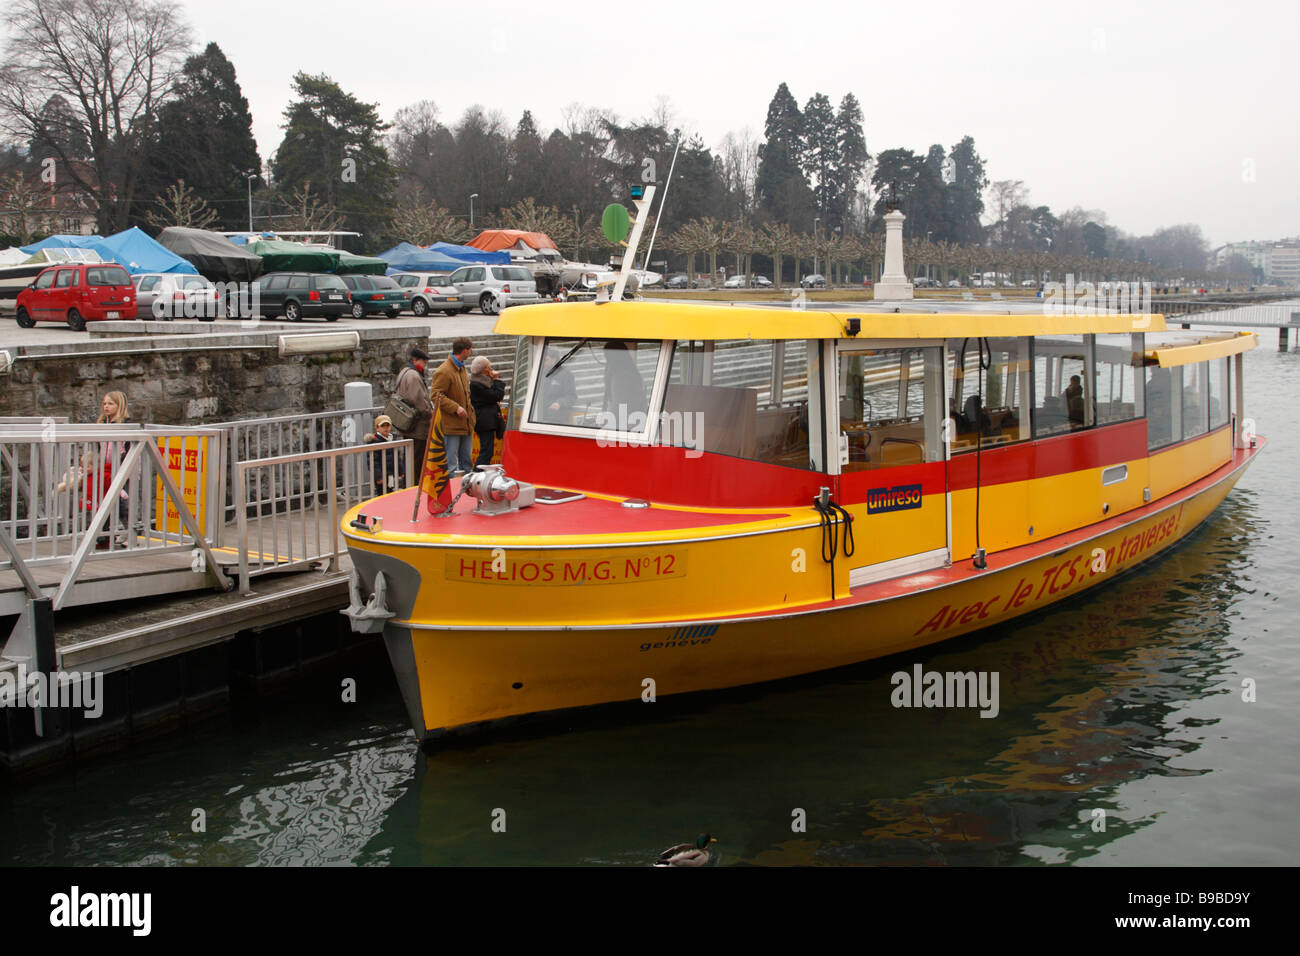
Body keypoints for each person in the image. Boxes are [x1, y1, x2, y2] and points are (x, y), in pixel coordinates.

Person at [430, 337, 475, 476]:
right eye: (470, 349)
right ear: (465, 350)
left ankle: (467, 491)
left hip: (466, 424)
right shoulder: (444, 371)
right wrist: (456, 408)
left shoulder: (461, 368)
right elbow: (435, 395)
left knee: (467, 461)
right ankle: (451, 492)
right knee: (451, 464)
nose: (471, 352)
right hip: (452, 425)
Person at [394, 347, 435, 470]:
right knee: (416, 461)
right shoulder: (413, 376)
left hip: (409, 424)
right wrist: (430, 413)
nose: (425, 365)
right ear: (416, 360)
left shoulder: (404, 372)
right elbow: (419, 401)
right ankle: (414, 486)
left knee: (411, 458)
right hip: (417, 427)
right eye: (424, 362)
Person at [469, 356, 506, 468]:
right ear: (484, 369)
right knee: (486, 451)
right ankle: (477, 473)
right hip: (484, 421)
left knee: (488, 450)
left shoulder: (483, 381)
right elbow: (497, 395)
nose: (491, 369)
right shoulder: (476, 385)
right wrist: (496, 380)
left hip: (489, 419)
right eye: (489, 367)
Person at [364, 414, 402, 495]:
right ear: (377, 428)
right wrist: (378, 476)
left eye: (388, 426)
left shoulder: (393, 439)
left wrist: (401, 471)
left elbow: (397, 457)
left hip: (392, 473)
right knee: (382, 494)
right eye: (383, 426)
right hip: (382, 475)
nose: (386, 428)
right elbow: (373, 462)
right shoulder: (374, 442)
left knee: (392, 493)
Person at [538, 350, 579, 424]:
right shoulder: (541, 373)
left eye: (546, 360)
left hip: (557, 420)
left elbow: (572, 396)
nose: (544, 364)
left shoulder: (566, 374)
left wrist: (559, 403)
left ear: (554, 359)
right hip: (540, 416)